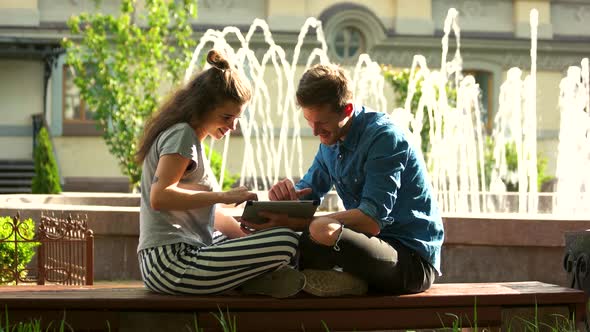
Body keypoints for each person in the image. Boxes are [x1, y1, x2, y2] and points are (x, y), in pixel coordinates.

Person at [241, 63, 445, 296]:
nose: (315, 131)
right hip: (365, 250)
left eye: (322, 123)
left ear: (347, 110)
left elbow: (371, 220)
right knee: (290, 234)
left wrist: (308, 223)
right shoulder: (330, 141)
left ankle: (344, 280)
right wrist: (284, 202)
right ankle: (333, 279)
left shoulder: (384, 138)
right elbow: (307, 192)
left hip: (411, 262)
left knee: (322, 229)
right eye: (309, 121)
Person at [134, 49, 305, 297]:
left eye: (237, 118)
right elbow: (160, 197)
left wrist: (250, 232)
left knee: (277, 237)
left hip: (185, 253)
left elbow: (212, 217)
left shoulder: (189, 139)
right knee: (286, 241)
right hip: (170, 262)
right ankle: (261, 280)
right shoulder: (182, 135)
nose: (233, 126)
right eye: (227, 116)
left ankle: (258, 281)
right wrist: (223, 196)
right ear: (202, 107)